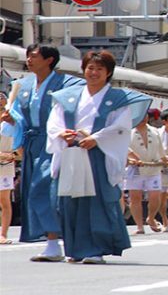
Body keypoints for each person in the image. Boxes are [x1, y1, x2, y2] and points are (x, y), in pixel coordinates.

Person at [46, 50, 152, 264]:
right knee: (69, 201)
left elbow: (120, 127)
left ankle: (96, 248)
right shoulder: (68, 96)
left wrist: (96, 138)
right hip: (71, 153)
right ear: (83, 70)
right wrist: (61, 133)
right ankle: (75, 249)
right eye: (90, 68)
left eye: (100, 69)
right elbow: (54, 122)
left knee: (97, 202)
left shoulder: (117, 99)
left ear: (108, 73)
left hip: (99, 156)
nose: (94, 73)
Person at [0, 44, 84, 260]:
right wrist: (12, 119)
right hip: (33, 144)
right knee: (37, 192)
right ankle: (53, 241)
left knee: (45, 189)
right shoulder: (23, 85)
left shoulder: (69, 84)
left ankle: (62, 240)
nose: (29, 59)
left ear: (49, 60)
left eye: (34, 56)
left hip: (57, 143)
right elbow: (19, 117)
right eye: (28, 55)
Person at [125, 114, 166, 235]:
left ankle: (151, 217)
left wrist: (164, 159)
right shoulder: (128, 132)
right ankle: (139, 226)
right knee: (135, 197)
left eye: (145, 115)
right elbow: (123, 150)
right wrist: (131, 160)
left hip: (153, 167)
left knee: (155, 196)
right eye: (140, 115)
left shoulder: (154, 131)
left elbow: (160, 150)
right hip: (135, 169)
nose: (143, 118)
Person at [0, 96, 19, 244]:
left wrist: (11, 155)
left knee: (4, 201)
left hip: (5, 167)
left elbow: (19, 151)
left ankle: (3, 234)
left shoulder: (11, 125)